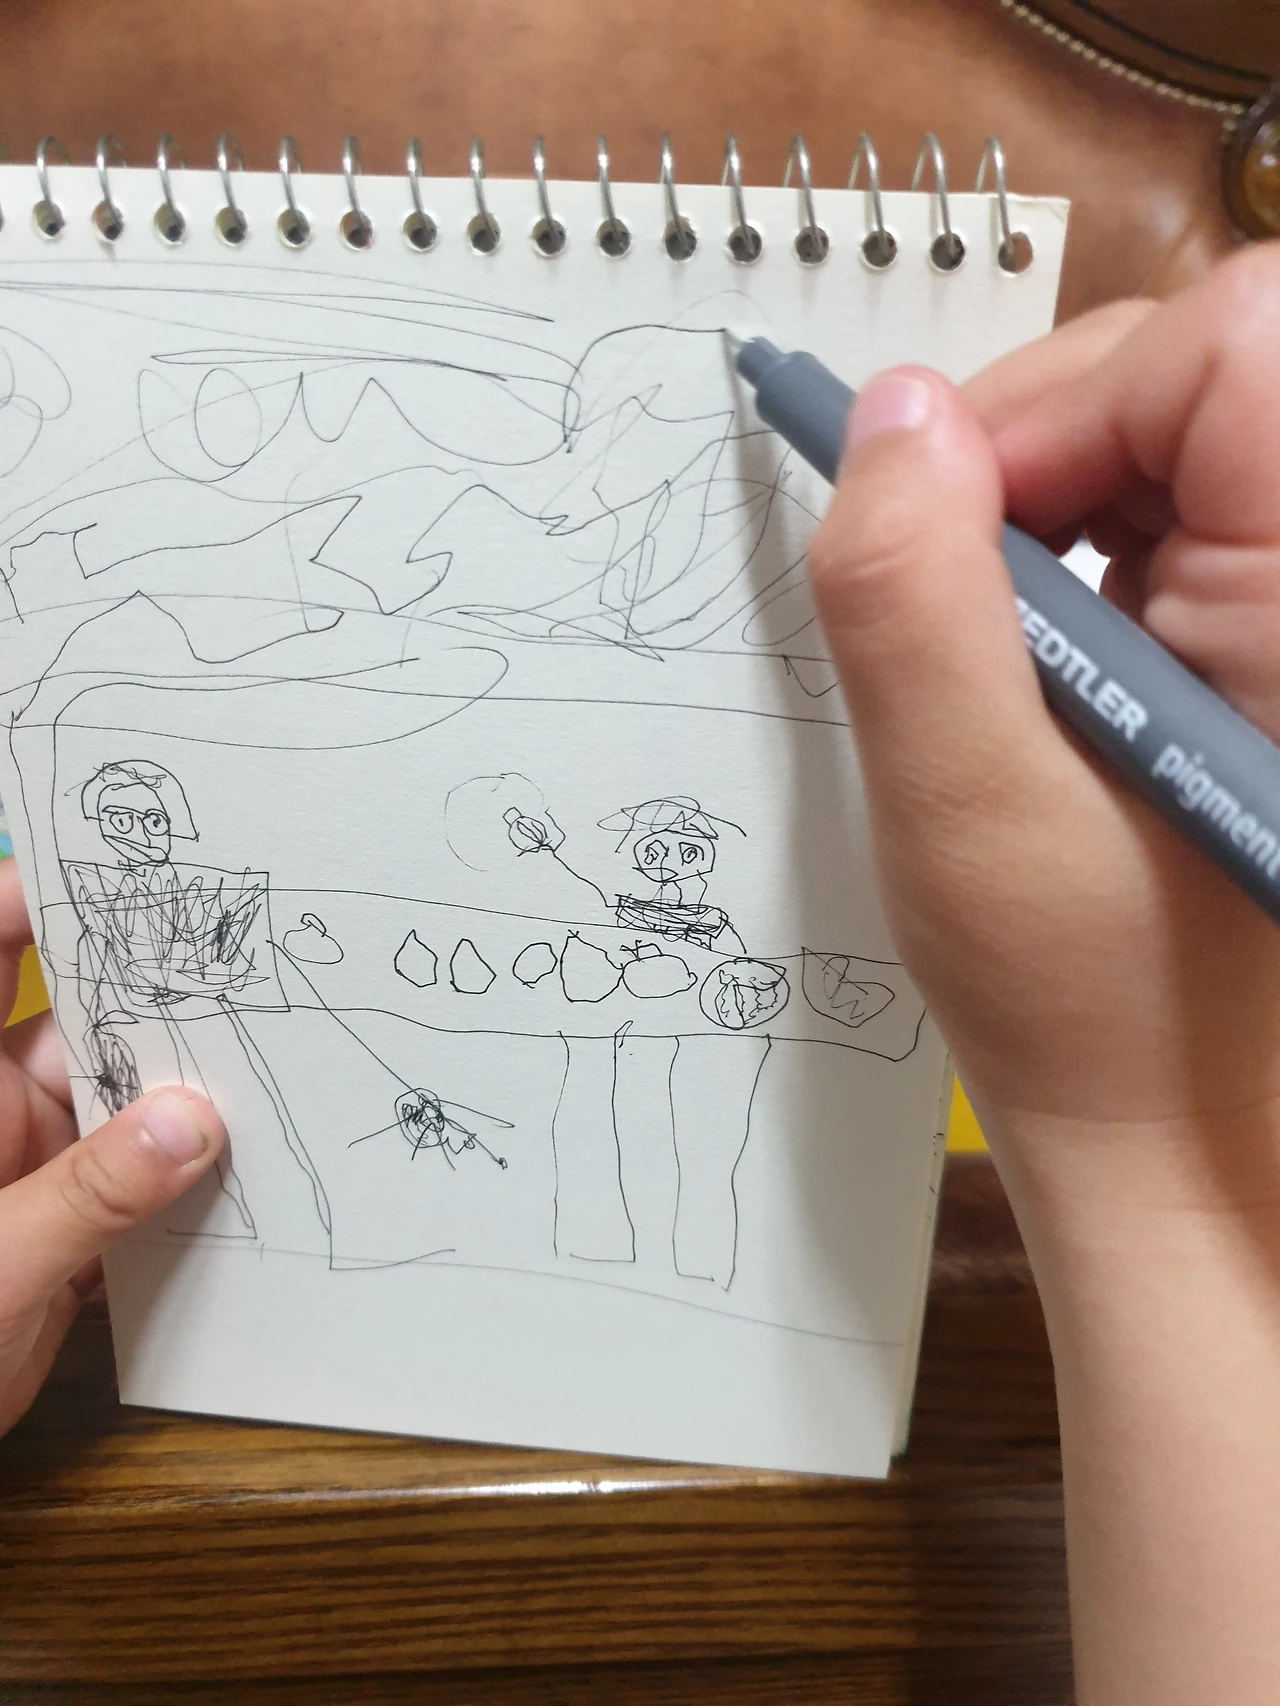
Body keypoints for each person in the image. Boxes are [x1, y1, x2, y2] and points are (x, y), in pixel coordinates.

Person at [1, 242, 1278, 1698]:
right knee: (601, 1128)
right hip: (551, 1044)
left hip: (695, 1063)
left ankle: (672, 1257)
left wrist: (1139, 1123)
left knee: (694, 1139)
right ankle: (617, 1245)